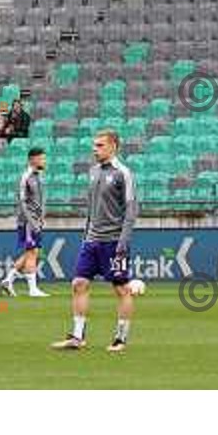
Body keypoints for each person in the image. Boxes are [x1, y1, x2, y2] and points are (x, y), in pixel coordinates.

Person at [51, 130, 140, 353]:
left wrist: (123, 241)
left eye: (100, 145)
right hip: (91, 240)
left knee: (121, 290)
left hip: (114, 241)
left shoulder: (123, 173)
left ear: (113, 147)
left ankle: (121, 338)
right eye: (94, 145)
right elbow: (92, 207)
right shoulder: (92, 171)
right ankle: (77, 336)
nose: (95, 149)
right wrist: (86, 233)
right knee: (78, 284)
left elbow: (131, 209)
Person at [1, 148, 49, 298]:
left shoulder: (39, 176)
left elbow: (40, 199)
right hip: (28, 222)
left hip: (36, 220)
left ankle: (8, 280)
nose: (44, 161)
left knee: (31, 252)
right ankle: (32, 289)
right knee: (32, 252)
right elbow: (22, 202)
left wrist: (42, 217)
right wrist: (31, 221)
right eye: (41, 159)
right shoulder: (26, 177)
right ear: (32, 159)